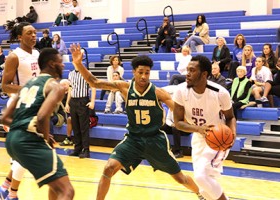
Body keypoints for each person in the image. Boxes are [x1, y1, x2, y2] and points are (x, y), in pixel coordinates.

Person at [70, 44, 205, 200]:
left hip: (155, 140)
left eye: (147, 73)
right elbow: (94, 82)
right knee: (108, 168)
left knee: (179, 177)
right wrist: (78, 64)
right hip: (133, 140)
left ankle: (200, 194)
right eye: (140, 72)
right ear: (133, 72)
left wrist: (198, 128)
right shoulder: (124, 87)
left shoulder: (158, 93)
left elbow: (181, 114)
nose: (143, 76)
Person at [1, 48, 74, 200]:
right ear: (52, 64)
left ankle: (7, 190)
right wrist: (45, 137)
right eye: (60, 63)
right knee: (67, 191)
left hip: (12, 140)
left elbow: (5, 118)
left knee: (56, 182)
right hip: (29, 140)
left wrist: (23, 127)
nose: (63, 66)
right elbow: (41, 117)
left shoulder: (27, 84)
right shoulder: (56, 86)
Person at [173, 55, 236, 200]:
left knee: (201, 177)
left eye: (192, 70)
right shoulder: (181, 91)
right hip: (199, 138)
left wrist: (231, 136)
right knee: (204, 187)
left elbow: (231, 117)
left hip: (218, 138)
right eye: (187, 70)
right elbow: (178, 123)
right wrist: (198, 129)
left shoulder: (220, 93)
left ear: (204, 74)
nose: (187, 73)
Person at [0, 21, 41, 200]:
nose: (34, 36)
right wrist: (29, 89)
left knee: (24, 152)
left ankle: (5, 188)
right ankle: (11, 194)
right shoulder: (14, 56)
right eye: (29, 33)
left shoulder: (37, 53)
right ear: (20, 36)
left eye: (35, 32)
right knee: (26, 152)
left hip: (33, 106)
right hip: (19, 108)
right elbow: (5, 86)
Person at [65, 59, 96, 158]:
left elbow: (93, 87)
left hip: (83, 101)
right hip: (73, 101)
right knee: (75, 127)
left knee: (84, 127)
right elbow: (70, 88)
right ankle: (77, 148)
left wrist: (92, 101)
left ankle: (86, 149)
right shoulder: (71, 74)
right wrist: (67, 103)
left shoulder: (87, 73)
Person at [58, 79, 74, 146]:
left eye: (65, 85)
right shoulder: (59, 94)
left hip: (71, 111)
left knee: (69, 118)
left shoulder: (73, 93)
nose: (63, 86)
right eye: (61, 85)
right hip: (62, 112)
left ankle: (69, 139)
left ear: (69, 85)